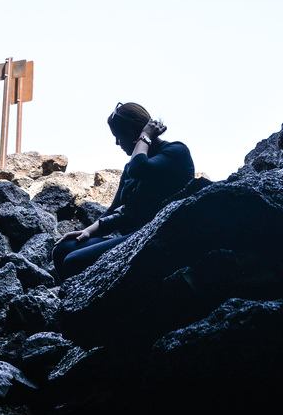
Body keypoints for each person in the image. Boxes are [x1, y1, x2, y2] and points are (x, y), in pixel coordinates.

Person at [52, 102, 195, 282]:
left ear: (134, 132)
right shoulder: (131, 166)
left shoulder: (175, 152)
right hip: (131, 235)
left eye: (119, 136)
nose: (117, 143)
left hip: (155, 236)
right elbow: (114, 209)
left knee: (73, 262)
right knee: (63, 249)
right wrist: (87, 231)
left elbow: (139, 168)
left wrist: (145, 136)